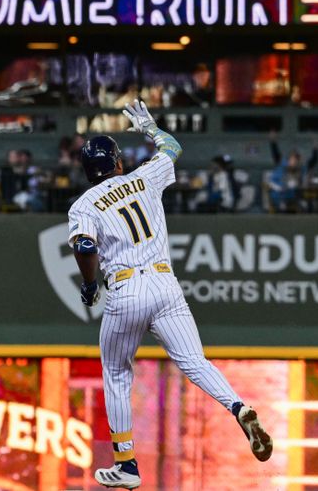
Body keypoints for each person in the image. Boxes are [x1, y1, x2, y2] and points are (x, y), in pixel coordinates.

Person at [68, 100, 272, 489]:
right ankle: (238, 407)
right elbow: (173, 148)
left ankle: (126, 464)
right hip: (165, 284)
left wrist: (90, 285)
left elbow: (85, 246)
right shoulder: (145, 176)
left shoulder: (84, 204)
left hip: (126, 288)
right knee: (194, 361)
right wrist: (150, 128)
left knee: (116, 372)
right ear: (118, 161)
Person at [267, 132, 318, 211]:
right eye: (293, 158)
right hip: (280, 194)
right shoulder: (282, 164)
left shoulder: (301, 167)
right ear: (289, 158)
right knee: (282, 206)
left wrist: (316, 147)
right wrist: (273, 141)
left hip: (295, 195)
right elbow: (276, 154)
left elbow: (313, 161)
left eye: (297, 159)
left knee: (308, 204)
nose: (294, 161)